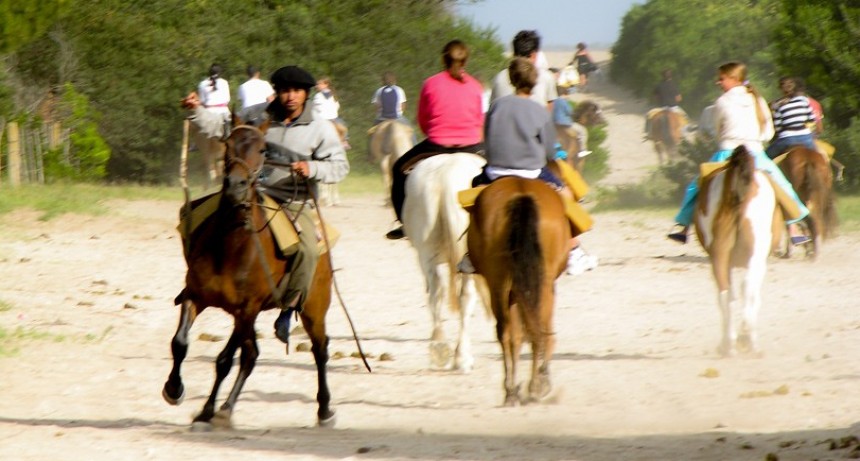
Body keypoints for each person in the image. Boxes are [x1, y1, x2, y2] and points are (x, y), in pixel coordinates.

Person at [185, 65, 349, 342]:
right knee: (192, 215)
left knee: (309, 249)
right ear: (277, 93)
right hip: (253, 194)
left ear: (306, 95)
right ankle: (195, 283)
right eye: (285, 91)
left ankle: (291, 304)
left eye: (296, 91)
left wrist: (312, 168)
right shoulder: (255, 117)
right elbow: (219, 127)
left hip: (294, 201)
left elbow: (339, 167)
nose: (290, 97)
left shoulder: (320, 128)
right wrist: (196, 110)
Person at [460, 57, 596, 275]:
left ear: (513, 80)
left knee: (476, 196)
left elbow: (487, 139)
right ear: (534, 83)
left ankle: (470, 254)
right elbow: (550, 151)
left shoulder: (496, 106)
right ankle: (573, 251)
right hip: (532, 172)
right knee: (566, 193)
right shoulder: (539, 110)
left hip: (496, 172)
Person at [667, 61, 810, 246]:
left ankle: (684, 227)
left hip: (727, 152)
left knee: (697, 186)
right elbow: (769, 132)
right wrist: (756, 140)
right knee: (781, 185)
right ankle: (794, 227)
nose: (718, 82)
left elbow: (717, 130)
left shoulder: (721, 102)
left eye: (721, 79)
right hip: (756, 153)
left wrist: (726, 139)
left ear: (734, 79)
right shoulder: (757, 99)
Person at [385, 39, 485, 240]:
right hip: (472, 146)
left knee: (398, 169)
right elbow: (479, 120)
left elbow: (422, 119)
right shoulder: (475, 86)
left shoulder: (430, 83)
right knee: (497, 174)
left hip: (436, 144)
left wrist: (432, 131)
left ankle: (403, 223)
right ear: (466, 61)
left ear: (443, 59)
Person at [490, 30, 558, 109]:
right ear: (534, 54)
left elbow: (493, 108)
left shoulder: (499, 78)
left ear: (514, 53)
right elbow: (549, 110)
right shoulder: (546, 77)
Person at [765, 76, 816, 159]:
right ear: (795, 87)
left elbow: (778, 127)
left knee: (764, 158)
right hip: (806, 138)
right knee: (819, 156)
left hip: (787, 138)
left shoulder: (778, 105)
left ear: (780, 89)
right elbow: (811, 120)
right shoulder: (804, 101)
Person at [644, 69, 689, 139]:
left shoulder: (658, 85)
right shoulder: (674, 85)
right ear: (671, 76)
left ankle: (649, 133)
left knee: (648, 115)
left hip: (662, 108)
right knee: (685, 117)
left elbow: (655, 97)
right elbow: (679, 98)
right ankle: (683, 134)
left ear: (662, 76)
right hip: (674, 108)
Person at [312, 76, 349, 149]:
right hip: (334, 118)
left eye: (320, 84)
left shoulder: (318, 95)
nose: (317, 86)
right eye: (317, 84)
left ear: (326, 84)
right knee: (343, 126)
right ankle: (344, 141)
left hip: (322, 119)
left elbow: (315, 108)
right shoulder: (333, 95)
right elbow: (337, 106)